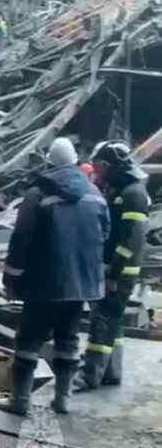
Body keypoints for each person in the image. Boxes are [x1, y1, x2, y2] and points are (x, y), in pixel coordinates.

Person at [0, 138, 108, 415]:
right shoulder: (95, 193)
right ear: (74, 161)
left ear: (49, 162)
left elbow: (21, 238)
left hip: (44, 282)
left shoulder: (38, 194)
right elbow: (103, 235)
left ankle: (21, 401)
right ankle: (63, 399)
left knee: (29, 341)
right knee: (68, 339)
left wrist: (11, 279)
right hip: (80, 285)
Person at [73, 141, 150, 392]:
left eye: (97, 167)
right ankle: (111, 372)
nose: (96, 172)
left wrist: (114, 272)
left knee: (102, 320)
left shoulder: (133, 195)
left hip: (120, 272)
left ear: (107, 165)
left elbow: (131, 239)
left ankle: (89, 375)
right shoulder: (123, 190)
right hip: (115, 269)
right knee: (113, 321)